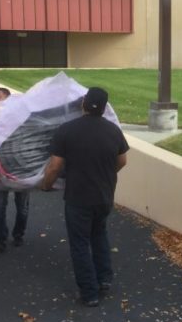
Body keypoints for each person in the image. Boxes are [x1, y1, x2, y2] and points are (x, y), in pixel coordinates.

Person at [41, 87, 129, 307]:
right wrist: (106, 175)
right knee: (99, 235)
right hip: (104, 196)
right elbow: (122, 161)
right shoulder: (113, 131)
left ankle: (89, 292)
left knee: (80, 244)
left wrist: (46, 185)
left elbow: (54, 166)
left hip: (78, 198)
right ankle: (104, 279)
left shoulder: (67, 130)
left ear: (83, 104)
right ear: (104, 107)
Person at [0, 87, 30, 252]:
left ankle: (18, 234)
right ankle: (1, 239)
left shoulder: (21, 118)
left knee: (22, 207)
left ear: (8, 98)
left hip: (21, 170)